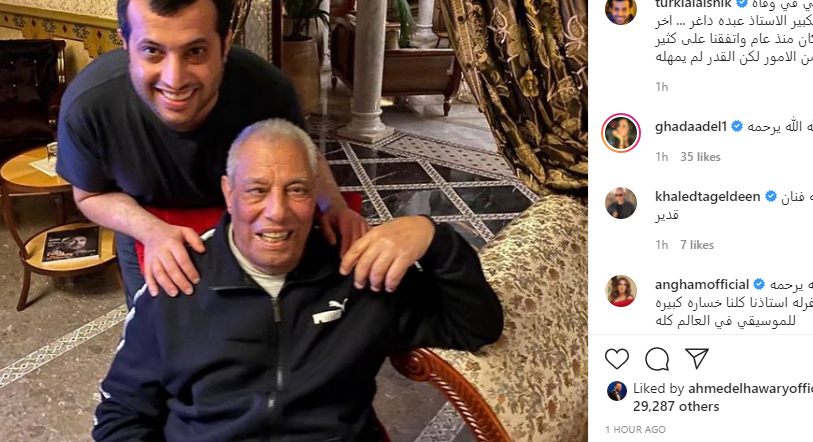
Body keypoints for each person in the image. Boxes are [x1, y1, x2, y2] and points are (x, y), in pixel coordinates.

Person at [92, 119, 504, 442]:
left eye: (296, 190)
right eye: (257, 190)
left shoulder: (359, 272)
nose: (277, 211)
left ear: (316, 195)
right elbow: (121, 414)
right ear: (229, 193)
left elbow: (475, 327)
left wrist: (434, 238)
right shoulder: (176, 279)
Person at [56, 0, 368, 306]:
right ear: (125, 44)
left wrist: (335, 205)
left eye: (196, 51)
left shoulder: (269, 91)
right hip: (146, 222)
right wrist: (151, 231)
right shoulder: (88, 106)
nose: (174, 79)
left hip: (242, 219)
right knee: (157, 327)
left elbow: (303, 158)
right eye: (152, 51)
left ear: (225, 44)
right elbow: (90, 195)